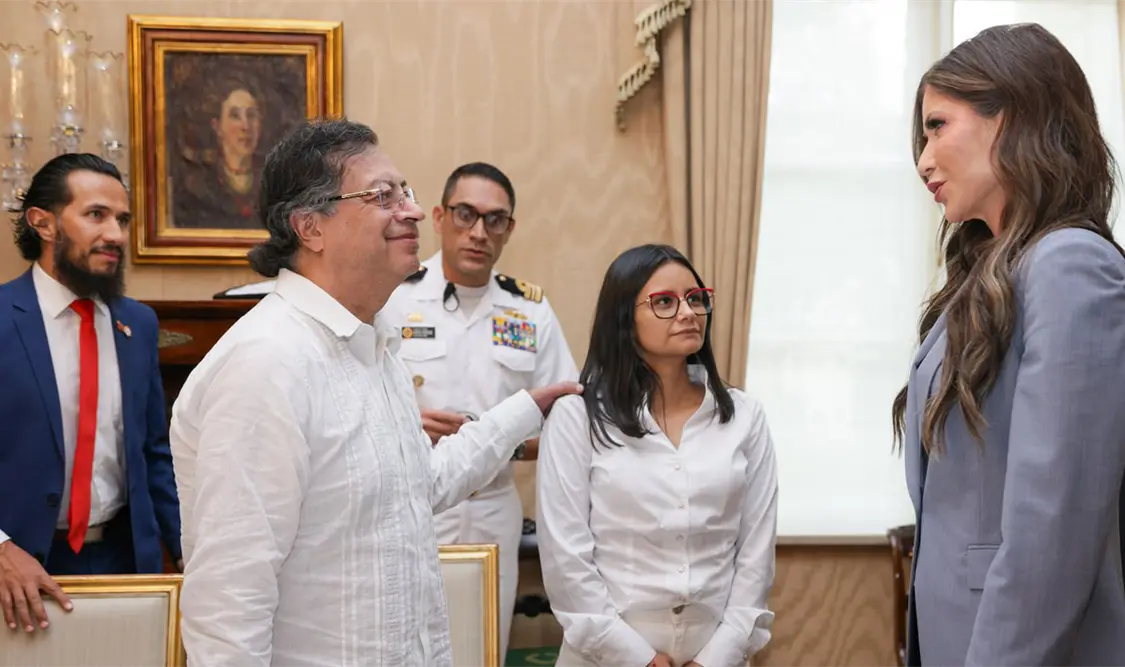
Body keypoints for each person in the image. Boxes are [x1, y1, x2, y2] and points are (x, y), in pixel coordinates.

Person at [169, 118, 581, 667]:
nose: (411, 211)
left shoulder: (373, 345)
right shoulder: (267, 362)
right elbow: (229, 605)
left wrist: (521, 411)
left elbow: (418, 486)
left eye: (405, 192)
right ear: (310, 226)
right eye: (382, 196)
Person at [893, 23, 1125, 667]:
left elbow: (1054, 522)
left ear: (1011, 117)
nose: (923, 160)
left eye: (937, 126)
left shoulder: (1070, 266)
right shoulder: (988, 274)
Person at [536, 244, 777, 667]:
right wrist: (638, 658)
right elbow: (566, 559)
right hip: (605, 652)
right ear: (624, 319)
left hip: (716, 651)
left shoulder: (743, 415)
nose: (687, 312)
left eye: (695, 298)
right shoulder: (578, 416)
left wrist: (718, 656)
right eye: (664, 302)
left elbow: (756, 551)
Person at [383, 161, 579, 663]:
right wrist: (407, 427)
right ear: (438, 217)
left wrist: (502, 441)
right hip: (409, 503)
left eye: (495, 220)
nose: (478, 232)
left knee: (483, 645)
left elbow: (568, 424)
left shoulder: (530, 310)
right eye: (466, 214)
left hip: (494, 505)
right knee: (405, 643)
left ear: (509, 230)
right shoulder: (393, 298)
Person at [0, 153, 182, 633]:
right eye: (96, 215)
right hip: (20, 571)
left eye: (122, 220)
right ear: (44, 223)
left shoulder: (137, 324)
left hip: (125, 563)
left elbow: (154, 454)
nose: (116, 235)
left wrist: (188, 550)